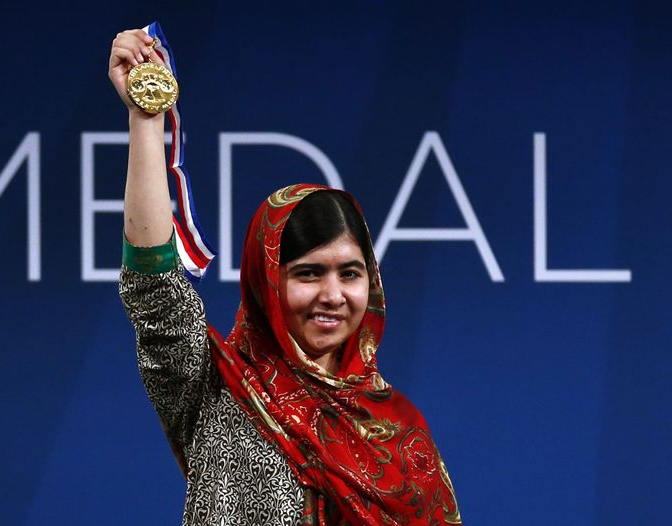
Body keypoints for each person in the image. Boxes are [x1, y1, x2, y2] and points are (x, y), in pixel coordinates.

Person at [110, 28, 462, 526]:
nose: (333, 295)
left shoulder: (400, 436)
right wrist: (145, 120)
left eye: (351, 273)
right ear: (266, 285)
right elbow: (154, 287)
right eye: (308, 273)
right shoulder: (213, 390)